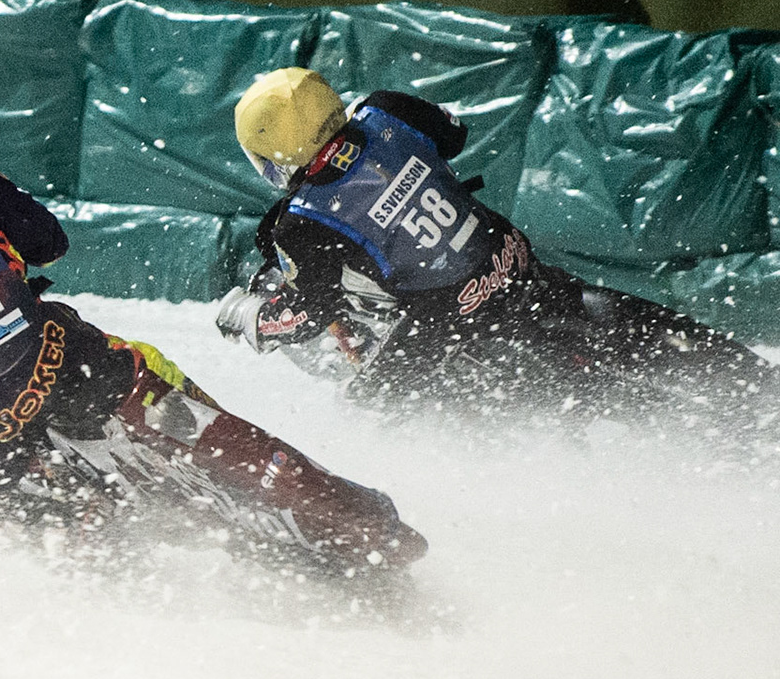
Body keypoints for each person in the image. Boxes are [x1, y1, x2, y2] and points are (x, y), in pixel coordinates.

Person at [0, 101, 425, 565]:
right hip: (76, 355)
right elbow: (50, 244)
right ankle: (365, 521)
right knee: (212, 431)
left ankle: (99, 565)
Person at [218, 68, 778, 418]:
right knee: (592, 306)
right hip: (507, 256)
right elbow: (453, 133)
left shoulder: (302, 221)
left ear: (272, 154)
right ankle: (750, 382)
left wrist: (254, 319)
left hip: (447, 321)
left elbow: (313, 313)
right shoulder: (385, 109)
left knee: (369, 411)